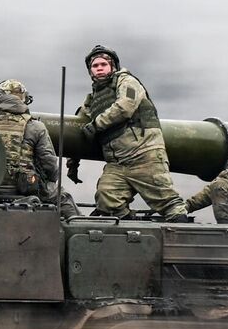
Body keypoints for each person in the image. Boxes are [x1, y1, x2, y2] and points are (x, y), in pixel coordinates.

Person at [68, 45, 189, 222]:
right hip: (117, 163)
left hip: (143, 155)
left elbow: (126, 106)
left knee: (169, 204)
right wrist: (73, 163)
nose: (99, 68)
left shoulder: (128, 83)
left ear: (113, 66)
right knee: (106, 202)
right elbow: (79, 128)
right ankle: (133, 232)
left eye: (103, 64)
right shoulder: (93, 99)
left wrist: (97, 124)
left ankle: (181, 240)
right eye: (95, 66)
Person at [0, 79, 77, 217]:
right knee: (63, 198)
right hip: (26, 188)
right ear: (23, 98)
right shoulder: (35, 126)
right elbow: (50, 164)